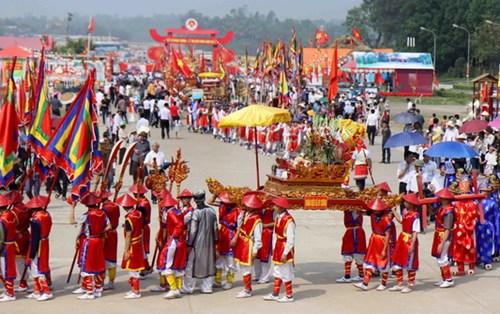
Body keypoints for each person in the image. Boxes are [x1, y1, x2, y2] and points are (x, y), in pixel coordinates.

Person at [75, 193, 111, 300]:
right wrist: (101, 231)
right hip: (99, 240)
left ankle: (89, 291)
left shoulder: (86, 215)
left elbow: (73, 221)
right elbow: (109, 226)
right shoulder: (103, 213)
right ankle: (98, 289)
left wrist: (72, 209)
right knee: (98, 264)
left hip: (89, 241)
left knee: (87, 265)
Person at [182, 190, 218, 294]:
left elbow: (193, 231)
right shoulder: (211, 211)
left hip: (197, 243)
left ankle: (188, 287)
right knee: (209, 263)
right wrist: (215, 241)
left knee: (191, 265)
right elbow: (215, 228)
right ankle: (207, 287)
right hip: (210, 242)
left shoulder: (196, 212)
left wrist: (189, 243)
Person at [353, 198, 393, 291]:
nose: (375, 210)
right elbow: (363, 213)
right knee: (370, 261)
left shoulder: (386, 219)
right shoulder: (372, 213)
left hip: (382, 241)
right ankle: (365, 283)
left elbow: (388, 235)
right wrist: (358, 211)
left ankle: (383, 284)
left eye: (376, 209)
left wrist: (384, 249)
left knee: (383, 262)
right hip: (374, 240)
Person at [263, 197, 296, 303]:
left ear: (281, 208)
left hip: (284, 247)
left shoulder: (289, 221)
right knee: (277, 271)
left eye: (276, 206)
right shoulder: (278, 217)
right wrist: (274, 248)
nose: (274, 207)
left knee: (286, 272)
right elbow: (276, 235)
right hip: (278, 247)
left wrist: (285, 253)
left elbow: (291, 239)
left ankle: (289, 296)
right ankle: (275, 293)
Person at [157, 194, 188, 299]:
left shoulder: (170, 213)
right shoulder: (177, 211)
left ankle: (173, 289)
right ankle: (178, 289)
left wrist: (173, 236)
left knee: (166, 264)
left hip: (174, 240)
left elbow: (179, 225)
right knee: (177, 265)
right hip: (180, 241)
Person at [233, 193, 264, 298]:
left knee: (247, 268)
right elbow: (239, 225)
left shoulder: (257, 220)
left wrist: (255, 250)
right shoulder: (245, 214)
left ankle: (247, 290)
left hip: (248, 245)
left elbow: (258, 238)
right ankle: (247, 288)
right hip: (242, 243)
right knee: (242, 267)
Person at [388, 193, 420, 293]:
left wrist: (412, 244)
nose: (404, 203)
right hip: (402, 238)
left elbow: (415, 232)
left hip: (409, 239)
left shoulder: (415, 216)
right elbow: (401, 221)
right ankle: (400, 283)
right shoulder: (405, 211)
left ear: (411, 203)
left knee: (410, 263)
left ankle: (410, 284)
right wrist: (393, 211)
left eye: (406, 202)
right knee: (397, 260)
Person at [116, 194, 145, 299]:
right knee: (134, 268)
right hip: (138, 242)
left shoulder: (129, 218)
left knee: (133, 268)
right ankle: (133, 289)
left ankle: (136, 291)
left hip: (133, 244)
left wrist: (126, 250)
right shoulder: (139, 214)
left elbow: (128, 235)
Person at [24, 196, 52, 301]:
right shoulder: (46, 214)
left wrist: (31, 253)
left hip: (38, 244)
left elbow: (35, 237)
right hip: (45, 241)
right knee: (38, 266)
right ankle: (36, 290)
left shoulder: (35, 219)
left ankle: (46, 291)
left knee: (37, 267)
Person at [211, 192, 239, 290]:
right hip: (222, 233)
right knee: (219, 258)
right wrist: (215, 194)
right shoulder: (222, 206)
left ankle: (229, 281)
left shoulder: (238, 211)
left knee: (231, 261)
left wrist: (235, 238)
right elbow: (209, 202)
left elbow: (240, 226)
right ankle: (217, 280)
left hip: (231, 234)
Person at [451, 182, 478, 276]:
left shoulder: (472, 204)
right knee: (458, 249)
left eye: (465, 192)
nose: (464, 195)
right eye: (462, 193)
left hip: (468, 230)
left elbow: (474, 216)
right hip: (458, 230)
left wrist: (466, 226)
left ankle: (471, 267)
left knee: (470, 247)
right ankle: (460, 268)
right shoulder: (456, 204)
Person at [431, 188, 455, 288]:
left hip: (444, 236)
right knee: (439, 257)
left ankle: (449, 279)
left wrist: (442, 242)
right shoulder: (442, 208)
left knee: (443, 258)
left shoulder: (448, 212)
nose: (439, 199)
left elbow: (447, 228)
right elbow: (432, 213)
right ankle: (444, 278)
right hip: (439, 234)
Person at [7, 191, 31, 293]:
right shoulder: (27, 208)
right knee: (25, 259)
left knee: (19, 262)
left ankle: (23, 283)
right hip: (26, 234)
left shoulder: (12, 212)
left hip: (17, 236)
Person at [336, 209, 366, 283]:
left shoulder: (358, 209)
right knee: (350, 254)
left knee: (354, 254)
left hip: (356, 233)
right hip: (353, 233)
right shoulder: (348, 209)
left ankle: (352, 276)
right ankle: (356, 275)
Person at [99, 191, 120, 290]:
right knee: (112, 257)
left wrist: (101, 231)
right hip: (114, 233)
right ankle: (111, 280)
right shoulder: (116, 206)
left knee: (104, 257)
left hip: (107, 233)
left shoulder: (104, 209)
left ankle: (102, 280)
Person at [0, 194, 18, 302]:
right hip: (11, 244)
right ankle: (8, 290)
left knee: (5, 269)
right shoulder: (12, 214)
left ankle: (10, 293)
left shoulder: (2, 219)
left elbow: (1, 237)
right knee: (8, 268)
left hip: (5, 246)